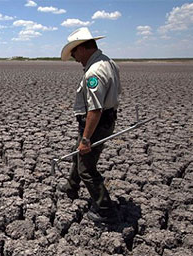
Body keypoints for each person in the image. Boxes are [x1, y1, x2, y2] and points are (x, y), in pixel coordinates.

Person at [60, 27, 121, 223]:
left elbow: (95, 109)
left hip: (96, 124)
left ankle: (105, 209)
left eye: (75, 52)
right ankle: (71, 187)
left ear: (84, 48)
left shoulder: (94, 72)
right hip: (104, 121)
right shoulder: (108, 62)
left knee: (86, 167)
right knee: (78, 153)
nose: (75, 58)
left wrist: (86, 138)